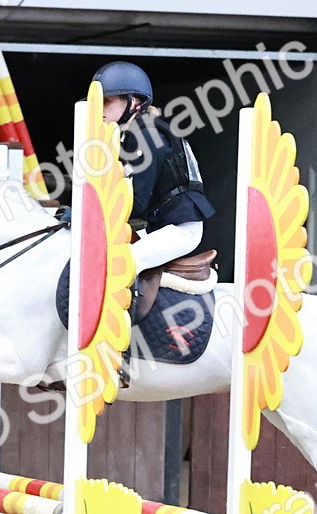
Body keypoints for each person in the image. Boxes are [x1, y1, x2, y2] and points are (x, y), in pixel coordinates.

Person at [93, 61, 215, 384]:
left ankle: (119, 352)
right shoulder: (140, 129)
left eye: (107, 101)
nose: (100, 110)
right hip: (164, 222)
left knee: (124, 261)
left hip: (181, 228)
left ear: (133, 103)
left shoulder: (144, 136)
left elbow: (137, 202)